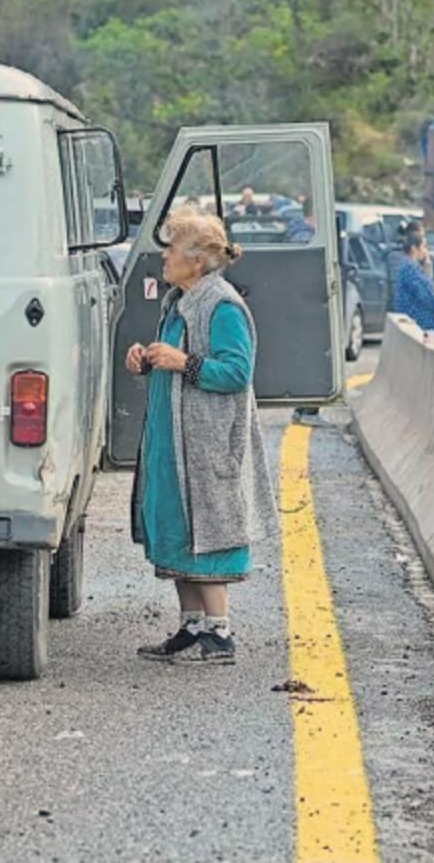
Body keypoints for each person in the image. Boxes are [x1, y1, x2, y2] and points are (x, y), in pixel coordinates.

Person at [127, 208, 275, 665]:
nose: (164, 256)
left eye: (171, 249)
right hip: (175, 440)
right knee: (177, 528)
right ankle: (191, 627)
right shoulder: (179, 300)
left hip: (207, 440)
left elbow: (236, 372)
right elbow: (174, 356)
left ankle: (219, 634)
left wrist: (183, 363)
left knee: (208, 529)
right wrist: (149, 358)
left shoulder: (222, 305)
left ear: (196, 260)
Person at [392, 231, 434, 335]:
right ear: (414, 248)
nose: (426, 252)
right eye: (424, 247)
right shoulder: (409, 268)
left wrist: (428, 274)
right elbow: (424, 294)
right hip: (418, 325)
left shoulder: (413, 267)